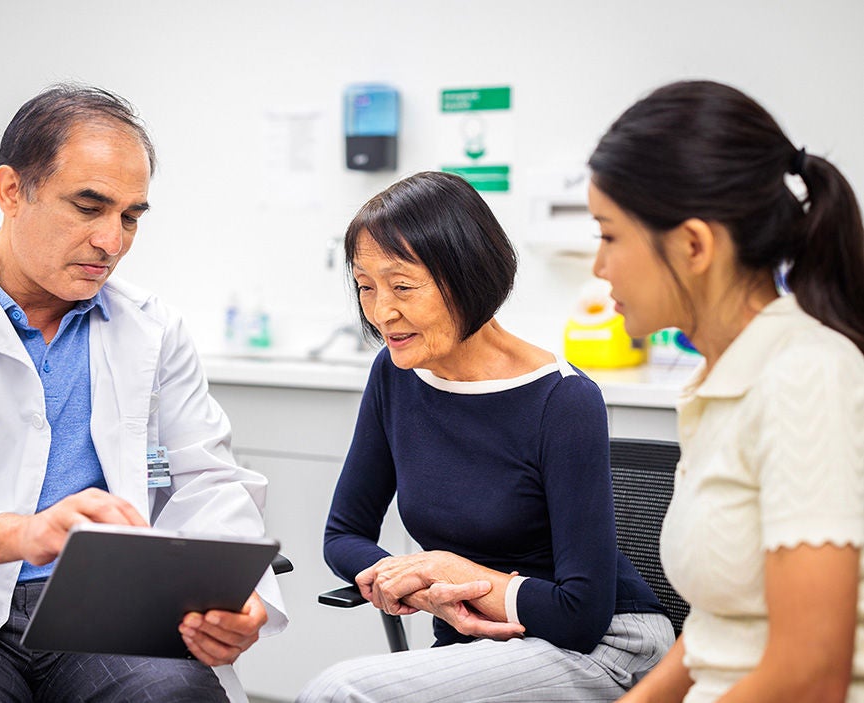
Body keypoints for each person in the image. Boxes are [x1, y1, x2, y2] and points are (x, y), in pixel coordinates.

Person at [0, 84, 286, 703]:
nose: (112, 242)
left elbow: (206, 478)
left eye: (130, 216)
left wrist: (232, 599)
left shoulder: (152, 328)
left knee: (176, 695)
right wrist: (13, 534)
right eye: (88, 207)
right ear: (12, 191)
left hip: (102, 609)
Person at [297, 171, 674, 703]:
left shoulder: (563, 400)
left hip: (600, 647)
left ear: (468, 276)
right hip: (480, 645)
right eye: (366, 286)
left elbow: (581, 615)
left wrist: (456, 574)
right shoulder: (395, 375)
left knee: (342, 693)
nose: (382, 312)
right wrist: (428, 589)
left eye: (402, 286)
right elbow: (343, 536)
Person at [587, 80, 864, 703]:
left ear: (693, 245)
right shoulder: (722, 380)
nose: (599, 267)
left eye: (609, 235)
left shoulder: (806, 376)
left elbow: (811, 676)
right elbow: (722, 626)